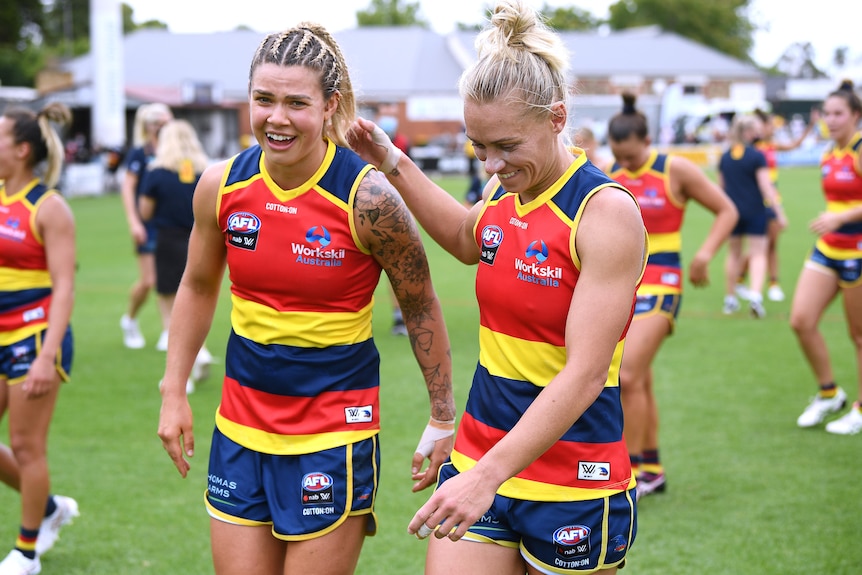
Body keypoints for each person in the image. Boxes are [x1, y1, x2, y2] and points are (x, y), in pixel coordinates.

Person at [350, 1, 645, 572]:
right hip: (481, 447)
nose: (491, 164)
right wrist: (392, 161)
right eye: (478, 147)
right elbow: (466, 238)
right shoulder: (506, 193)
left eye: (507, 147)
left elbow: (585, 373)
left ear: (557, 119)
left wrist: (485, 477)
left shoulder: (602, 211)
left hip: (573, 473)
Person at [157, 23, 456, 575]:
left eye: (296, 102)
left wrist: (442, 415)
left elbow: (419, 304)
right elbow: (198, 286)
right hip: (239, 426)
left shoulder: (369, 198)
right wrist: (174, 388)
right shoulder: (220, 186)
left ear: (328, 106)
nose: (277, 118)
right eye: (264, 99)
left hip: (332, 432)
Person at [606, 93, 738, 499]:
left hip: (663, 282)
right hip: (623, 284)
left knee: (626, 375)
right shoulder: (611, 170)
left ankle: (625, 478)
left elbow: (727, 210)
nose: (624, 165)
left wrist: (703, 255)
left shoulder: (673, 168)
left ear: (646, 140)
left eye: (629, 156)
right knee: (638, 378)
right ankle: (651, 470)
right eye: (618, 157)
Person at [0, 102, 80, 575]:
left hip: (34, 339)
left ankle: (26, 553)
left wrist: (46, 357)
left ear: (22, 149)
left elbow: (65, 286)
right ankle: (49, 508)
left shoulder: (48, 207)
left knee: (26, 445)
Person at [792, 80, 862, 435]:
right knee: (801, 321)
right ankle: (829, 393)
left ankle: (860, 409)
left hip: (857, 251)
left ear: (855, 116)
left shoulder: (859, 150)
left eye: (839, 114)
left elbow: (849, 207)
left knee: (859, 335)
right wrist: (834, 219)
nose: (831, 121)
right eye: (827, 114)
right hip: (828, 247)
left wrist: (842, 216)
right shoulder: (829, 153)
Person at [138, 119, 213, 393]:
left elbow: (145, 211)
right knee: (199, 298)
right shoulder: (206, 171)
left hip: (168, 241)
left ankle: (184, 376)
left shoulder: (157, 172)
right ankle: (201, 349)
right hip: (203, 240)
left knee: (170, 307)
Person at [735, 108, 821, 302]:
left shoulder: (771, 146)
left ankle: (773, 283)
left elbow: (795, 144)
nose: (771, 128)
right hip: (756, 201)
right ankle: (741, 279)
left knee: (772, 244)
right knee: (757, 246)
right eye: (767, 125)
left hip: (773, 200)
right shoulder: (751, 150)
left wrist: (811, 125)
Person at [718, 113, 787, 318]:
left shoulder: (725, 156)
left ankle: (730, 299)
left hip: (732, 212)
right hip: (755, 210)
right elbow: (767, 187)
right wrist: (779, 213)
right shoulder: (757, 155)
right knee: (758, 253)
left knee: (733, 254)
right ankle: (755, 296)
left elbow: (720, 188)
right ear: (748, 132)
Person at [119, 102, 174, 350]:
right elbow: (128, 188)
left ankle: (168, 330)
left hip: (172, 224)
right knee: (149, 280)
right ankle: (129, 319)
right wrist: (133, 222)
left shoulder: (175, 152)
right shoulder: (140, 154)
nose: (161, 127)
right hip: (148, 224)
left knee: (169, 279)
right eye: (156, 122)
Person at [378, 114, 412, 336]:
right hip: (377, 206)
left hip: (394, 208)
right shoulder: (373, 145)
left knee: (397, 266)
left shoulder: (402, 144)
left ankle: (400, 318)